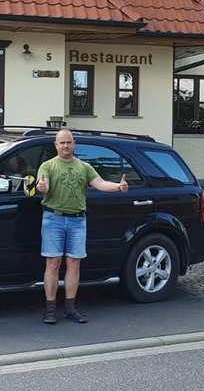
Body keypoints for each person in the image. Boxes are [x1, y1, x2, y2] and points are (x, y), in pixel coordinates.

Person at [36, 129, 128, 324]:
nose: (65, 146)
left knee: (74, 263)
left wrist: (118, 187)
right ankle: (50, 309)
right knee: (53, 263)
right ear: (56, 145)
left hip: (78, 221)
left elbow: (100, 183)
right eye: (62, 143)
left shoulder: (84, 167)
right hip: (54, 218)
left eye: (68, 142)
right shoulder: (47, 166)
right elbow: (41, 186)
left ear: (74, 144)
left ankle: (70, 307)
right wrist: (41, 187)